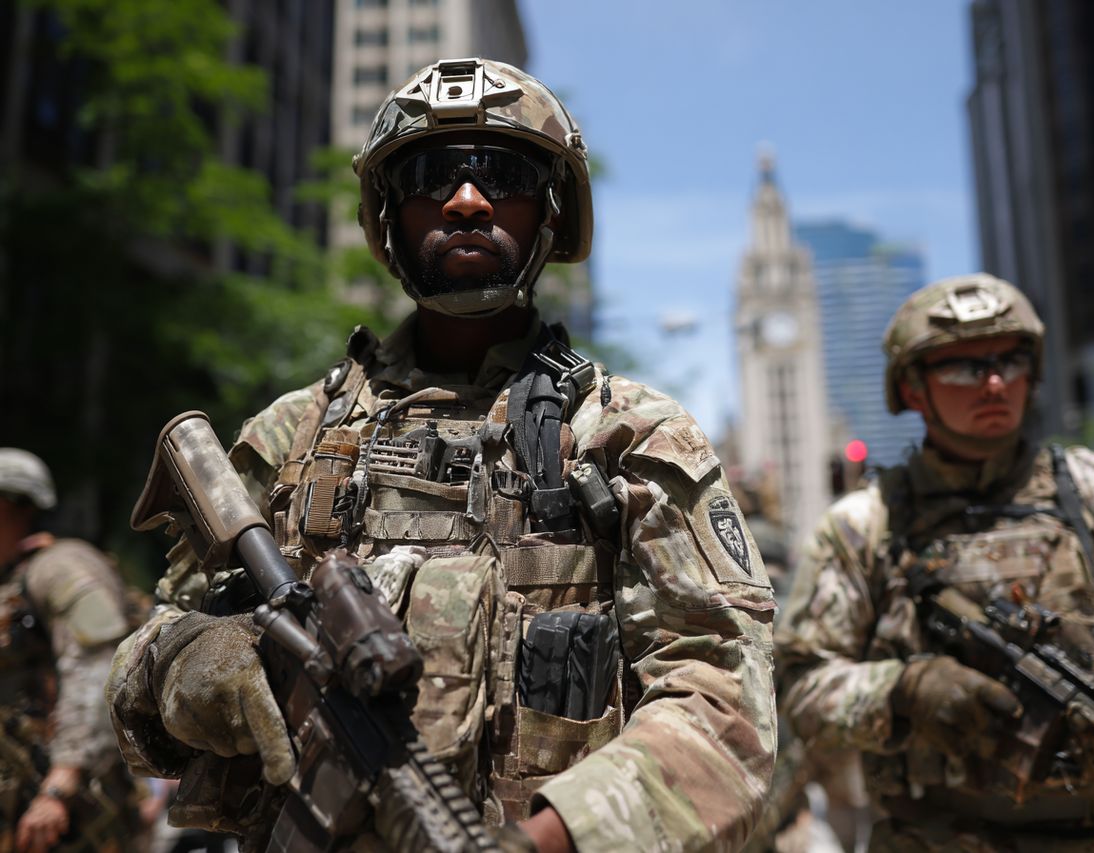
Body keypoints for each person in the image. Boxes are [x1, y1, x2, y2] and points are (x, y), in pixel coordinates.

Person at [106, 58, 775, 852]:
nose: (466, 199)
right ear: (387, 216)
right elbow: (136, 680)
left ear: (550, 217)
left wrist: (552, 838)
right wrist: (184, 659)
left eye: (505, 173)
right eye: (431, 175)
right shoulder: (293, 434)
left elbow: (727, 702)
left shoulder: (627, 435)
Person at [774, 273, 1094, 852]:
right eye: (964, 367)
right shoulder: (864, 525)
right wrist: (907, 691)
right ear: (914, 389)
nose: (995, 382)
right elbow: (799, 686)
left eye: (1011, 360)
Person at [0, 448, 141, 853]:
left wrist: (59, 786)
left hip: (68, 813)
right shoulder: (13, 576)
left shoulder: (61, 567)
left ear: (11, 505)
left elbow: (97, 667)